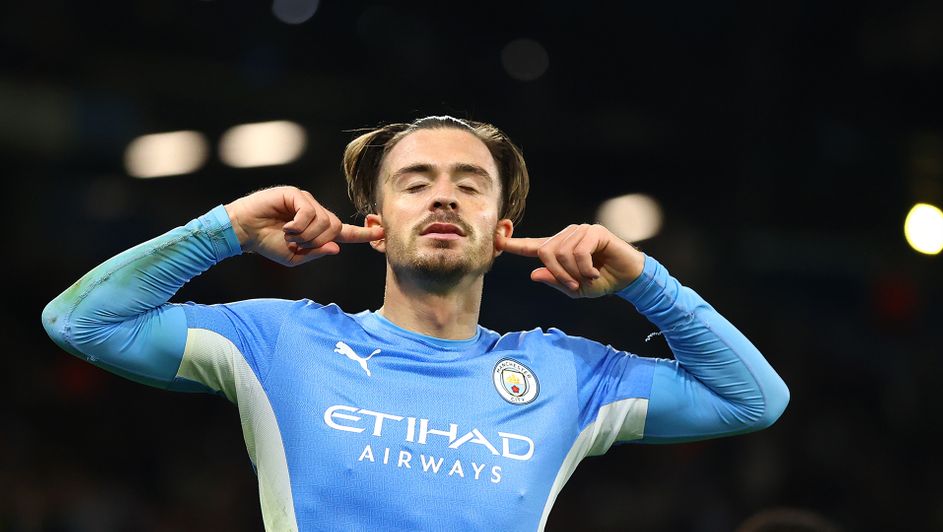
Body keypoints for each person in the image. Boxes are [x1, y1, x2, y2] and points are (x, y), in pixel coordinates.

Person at [42, 115, 789, 531]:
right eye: (415, 183)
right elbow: (82, 324)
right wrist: (226, 228)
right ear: (375, 223)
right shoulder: (281, 341)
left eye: (469, 186)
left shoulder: (569, 375)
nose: (443, 199)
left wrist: (643, 280)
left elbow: (752, 399)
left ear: (502, 230)